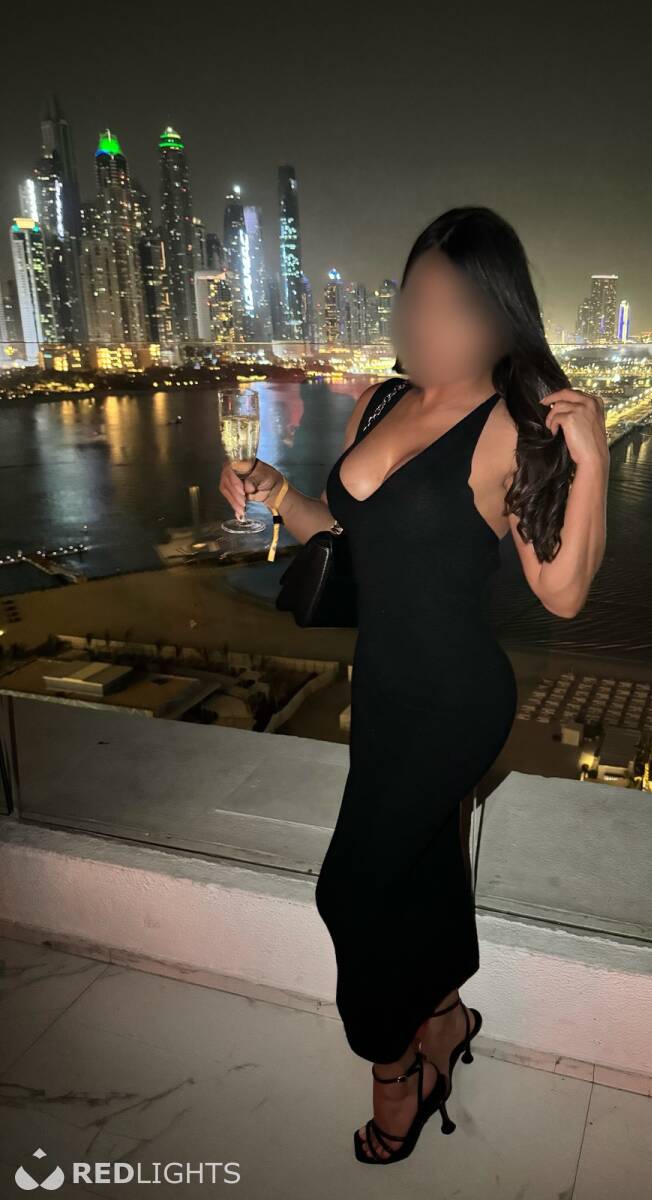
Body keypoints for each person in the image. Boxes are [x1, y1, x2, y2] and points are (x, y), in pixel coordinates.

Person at [218, 205, 609, 1165]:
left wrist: (593, 462)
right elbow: (348, 539)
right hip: (385, 689)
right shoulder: (381, 401)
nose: (424, 320)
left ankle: (398, 1074)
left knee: (350, 894)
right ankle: (445, 1014)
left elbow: (561, 593)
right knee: (422, 866)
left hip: (456, 700)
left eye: (454, 305)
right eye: (414, 297)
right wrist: (275, 489)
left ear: (500, 317)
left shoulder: (511, 427)